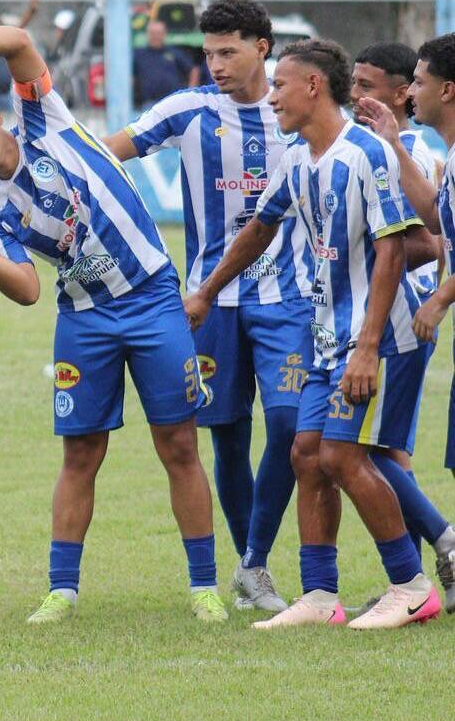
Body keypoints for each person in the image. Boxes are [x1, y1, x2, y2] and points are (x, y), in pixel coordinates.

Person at [0, 23, 228, 624]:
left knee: (177, 445)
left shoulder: (44, 120)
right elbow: (27, 289)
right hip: (84, 320)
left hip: (152, 300)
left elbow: (16, 39)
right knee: (80, 454)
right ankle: (61, 590)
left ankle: (204, 587)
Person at [185, 39, 441, 629]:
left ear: (313, 88)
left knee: (343, 455)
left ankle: (411, 584)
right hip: (325, 334)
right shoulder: (297, 160)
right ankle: (321, 596)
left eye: (280, 85)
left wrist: (368, 347)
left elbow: (391, 249)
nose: (271, 97)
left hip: (376, 336)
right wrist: (206, 291)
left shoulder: (366, 153)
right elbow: (259, 229)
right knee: (306, 454)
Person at [105, 0, 312, 612]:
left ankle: (252, 562)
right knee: (226, 436)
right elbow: (103, 153)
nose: (216, 64)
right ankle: (255, 573)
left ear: (262, 48)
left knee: (287, 425)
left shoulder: (295, 112)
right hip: (208, 300)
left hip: (288, 295)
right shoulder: (189, 110)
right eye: (209, 53)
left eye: (229, 51)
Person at [355, 33, 455, 611]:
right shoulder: (419, 151)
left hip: (401, 319)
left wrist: (439, 297)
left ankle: (437, 552)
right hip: (396, 317)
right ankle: (415, 577)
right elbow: (438, 217)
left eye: (416, 82)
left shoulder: (420, 150)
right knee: (382, 452)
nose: (356, 98)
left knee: (355, 450)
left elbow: (425, 241)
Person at [132, 19, 199, 106]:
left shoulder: (174, 52)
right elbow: (128, 76)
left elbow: (193, 70)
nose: (155, 36)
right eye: (153, 33)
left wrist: (191, 93)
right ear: (147, 34)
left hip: (173, 103)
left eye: (159, 33)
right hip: (149, 105)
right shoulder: (138, 54)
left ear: (165, 34)